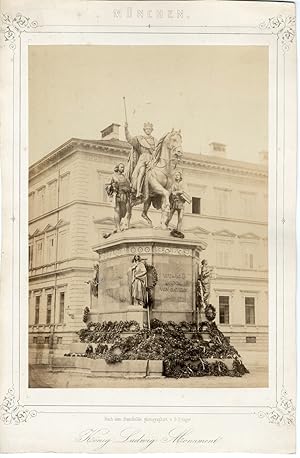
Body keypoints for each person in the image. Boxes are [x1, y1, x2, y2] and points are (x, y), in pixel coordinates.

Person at [125, 122, 158, 200]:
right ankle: (138, 191)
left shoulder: (155, 140)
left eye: (150, 129)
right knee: (141, 171)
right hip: (143, 159)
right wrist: (126, 129)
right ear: (144, 130)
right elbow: (130, 139)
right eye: (147, 129)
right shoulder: (139, 139)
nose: (148, 130)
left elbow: (158, 151)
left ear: (152, 130)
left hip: (152, 159)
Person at [105, 163, 131, 232]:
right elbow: (107, 186)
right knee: (117, 211)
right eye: (121, 167)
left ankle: (117, 226)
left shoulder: (125, 178)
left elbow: (129, 187)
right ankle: (118, 227)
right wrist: (112, 187)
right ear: (118, 168)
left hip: (124, 196)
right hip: (116, 195)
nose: (123, 169)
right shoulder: (113, 176)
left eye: (123, 167)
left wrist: (127, 189)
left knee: (123, 213)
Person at [165, 171, 190, 237]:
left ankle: (178, 230)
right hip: (175, 202)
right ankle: (165, 225)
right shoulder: (174, 184)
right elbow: (171, 191)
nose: (176, 176)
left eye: (178, 175)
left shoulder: (183, 183)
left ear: (180, 176)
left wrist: (176, 192)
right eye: (176, 175)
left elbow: (184, 191)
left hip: (181, 202)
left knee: (180, 218)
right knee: (170, 215)